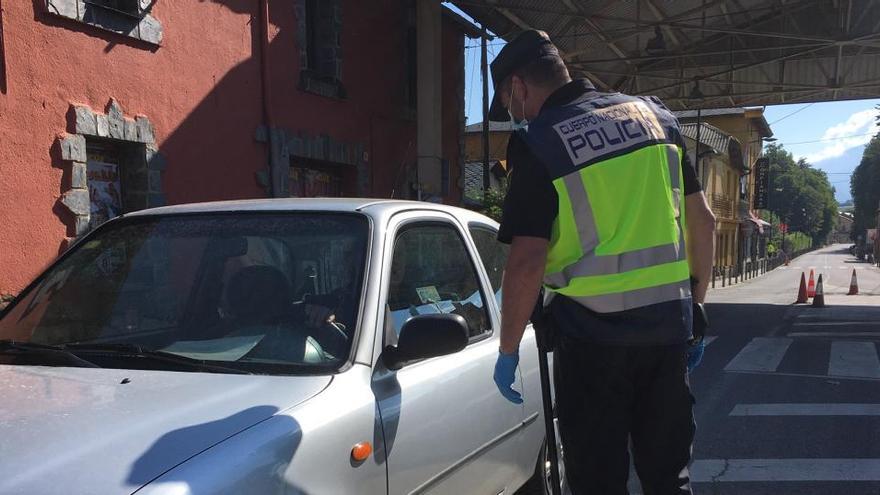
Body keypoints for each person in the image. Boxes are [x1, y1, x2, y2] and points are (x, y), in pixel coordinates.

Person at [489, 30, 716, 494]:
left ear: (518, 86)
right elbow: (704, 222)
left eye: (509, 105)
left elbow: (527, 261)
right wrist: (695, 306)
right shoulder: (658, 120)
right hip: (666, 338)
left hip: (592, 345)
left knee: (597, 481)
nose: (515, 114)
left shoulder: (540, 144)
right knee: (669, 479)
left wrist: (508, 350)